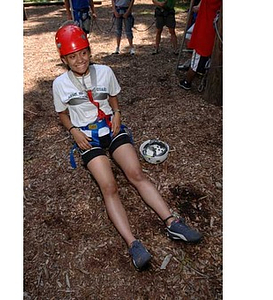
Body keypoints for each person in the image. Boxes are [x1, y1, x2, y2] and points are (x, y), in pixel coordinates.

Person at [52, 23, 202, 270]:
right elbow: (63, 114)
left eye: (83, 53)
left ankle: (172, 222)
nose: (80, 60)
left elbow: (112, 97)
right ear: (64, 59)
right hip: (88, 137)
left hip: (111, 128)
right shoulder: (60, 84)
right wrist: (73, 131)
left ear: (90, 51)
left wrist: (118, 113)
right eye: (72, 56)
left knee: (136, 174)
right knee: (109, 186)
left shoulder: (105, 72)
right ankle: (133, 243)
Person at [179, 0, 222, 90]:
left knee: (197, 59)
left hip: (205, 31)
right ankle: (201, 70)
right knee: (203, 56)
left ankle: (187, 81)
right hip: (210, 29)